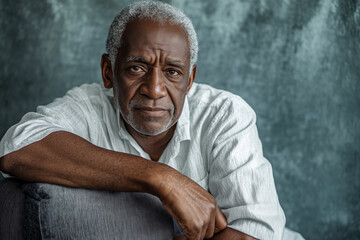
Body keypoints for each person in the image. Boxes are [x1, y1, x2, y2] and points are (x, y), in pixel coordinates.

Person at [0, 1, 286, 239]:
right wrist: (160, 179)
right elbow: (17, 146)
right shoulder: (89, 106)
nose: (155, 89)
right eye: (136, 68)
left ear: (190, 80)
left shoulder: (225, 115)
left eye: (173, 72)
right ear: (108, 72)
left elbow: (256, 232)